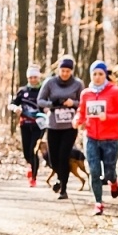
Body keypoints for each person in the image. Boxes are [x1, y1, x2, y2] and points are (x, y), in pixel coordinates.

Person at [75, 61, 118, 215]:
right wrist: (77, 120)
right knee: (93, 170)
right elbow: (81, 111)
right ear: (91, 75)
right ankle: (98, 202)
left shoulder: (115, 91)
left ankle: (113, 181)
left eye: (100, 74)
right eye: (94, 74)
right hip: (91, 137)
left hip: (111, 139)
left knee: (108, 172)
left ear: (105, 75)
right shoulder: (86, 93)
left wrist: (108, 117)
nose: (97, 77)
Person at [39, 57, 84, 197]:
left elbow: (83, 102)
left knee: (64, 156)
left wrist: (73, 103)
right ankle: (59, 177)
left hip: (70, 127)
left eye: (68, 71)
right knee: (53, 158)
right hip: (53, 125)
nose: (65, 73)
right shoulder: (50, 83)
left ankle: (63, 188)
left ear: (72, 71)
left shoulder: (78, 84)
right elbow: (40, 100)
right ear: (58, 70)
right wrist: (52, 103)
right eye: (62, 70)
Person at [9, 64, 44, 186]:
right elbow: (12, 104)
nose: (33, 80)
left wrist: (46, 110)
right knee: (26, 152)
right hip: (25, 124)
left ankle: (33, 176)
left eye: (35, 77)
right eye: (30, 77)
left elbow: (49, 103)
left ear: (39, 77)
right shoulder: (22, 91)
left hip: (39, 125)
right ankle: (30, 165)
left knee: (33, 150)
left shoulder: (43, 90)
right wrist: (15, 108)